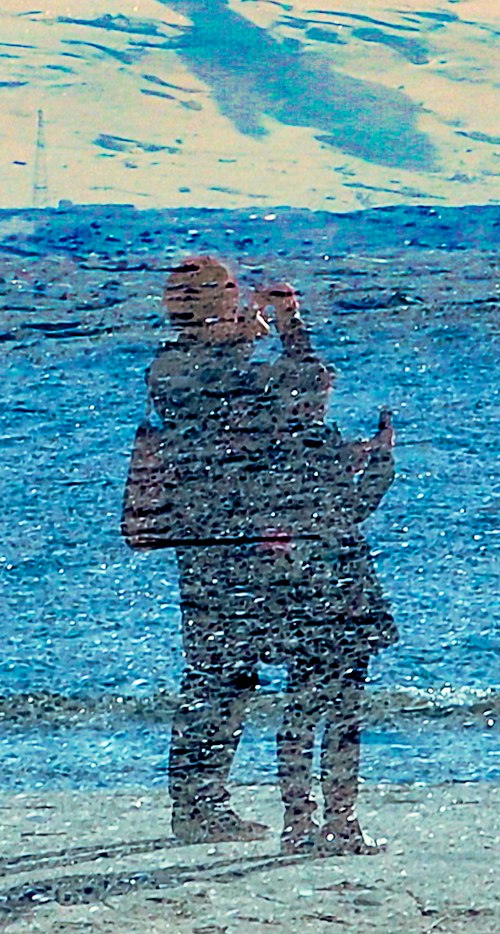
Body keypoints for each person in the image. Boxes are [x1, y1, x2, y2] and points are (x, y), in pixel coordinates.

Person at [129, 253, 397, 852]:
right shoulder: (198, 369)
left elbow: (289, 406)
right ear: (210, 304)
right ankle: (205, 804)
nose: (241, 300)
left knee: (223, 671)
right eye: (228, 291)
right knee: (226, 673)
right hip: (230, 541)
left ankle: (202, 802)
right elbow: (305, 391)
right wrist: (288, 327)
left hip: (217, 537)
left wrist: (268, 335)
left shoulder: (178, 367)